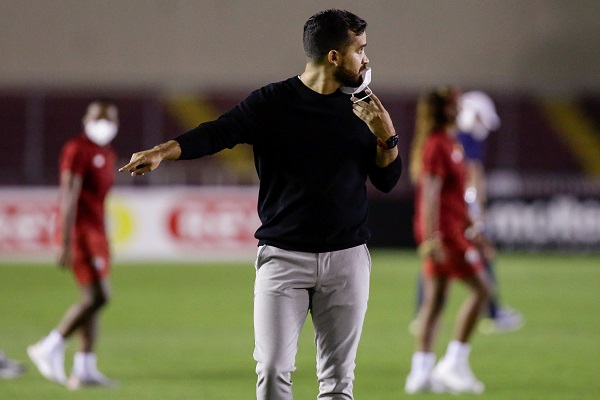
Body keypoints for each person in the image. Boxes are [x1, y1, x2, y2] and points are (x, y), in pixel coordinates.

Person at [120, 9, 402, 400]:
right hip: (284, 259)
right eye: (360, 50)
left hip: (347, 259)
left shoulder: (366, 108)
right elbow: (219, 132)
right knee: (271, 372)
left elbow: (387, 181)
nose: (367, 60)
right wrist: (162, 151)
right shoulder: (273, 102)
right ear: (334, 57)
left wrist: (386, 136)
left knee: (338, 383)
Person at [408, 90, 523, 335]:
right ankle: (489, 313)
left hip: (454, 214)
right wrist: (474, 211)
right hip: (454, 216)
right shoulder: (451, 139)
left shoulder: (448, 138)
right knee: (469, 274)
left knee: (437, 270)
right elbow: (468, 176)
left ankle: (425, 320)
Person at [404, 87, 491, 394]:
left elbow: (455, 198)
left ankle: (421, 372)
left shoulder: (450, 143)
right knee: (483, 290)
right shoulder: (436, 145)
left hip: (453, 230)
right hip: (445, 236)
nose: (459, 109)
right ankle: (454, 363)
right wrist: (431, 239)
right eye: (454, 105)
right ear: (443, 110)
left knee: (436, 301)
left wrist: (474, 231)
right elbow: (429, 196)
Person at [27, 100, 119, 390]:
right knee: (98, 296)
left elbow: (98, 201)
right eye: (98, 117)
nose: (103, 123)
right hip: (79, 233)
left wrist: (104, 236)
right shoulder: (77, 149)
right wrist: (65, 240)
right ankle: (49, 345)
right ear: (85, 119)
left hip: (95, 233)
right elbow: (69, 195)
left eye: (109, 118)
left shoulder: (107, 153)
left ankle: (85, 369)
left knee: (93, 301)